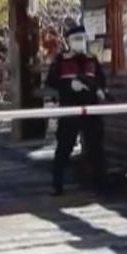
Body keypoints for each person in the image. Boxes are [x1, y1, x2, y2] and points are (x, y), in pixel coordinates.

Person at [45, 24, 108, 196]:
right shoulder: (61, 60)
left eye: (82, 39)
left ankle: (101, 185)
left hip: (91, 109)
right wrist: (69, 85)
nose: (79, 42)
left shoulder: (91, 59)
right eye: (76, 39)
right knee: (64, 147)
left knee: (96, 147)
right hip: (70, 109)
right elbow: (51, 81)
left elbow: (101, 79)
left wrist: (100, 90)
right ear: (69, 41)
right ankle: (57, 185)